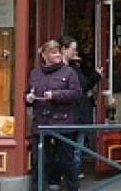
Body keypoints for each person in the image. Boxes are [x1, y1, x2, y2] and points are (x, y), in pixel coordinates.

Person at [27, 39, 84, 191]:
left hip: (63, 122)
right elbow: (28, 92)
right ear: (44, 56)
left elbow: (76, 93)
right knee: (38, 161)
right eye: (53, 53)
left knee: (67, 161)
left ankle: (72, 188)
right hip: (41, 122)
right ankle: (38, 188)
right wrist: (28, 98)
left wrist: (55, 95)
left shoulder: (68, 72)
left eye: (58, 52)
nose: (58, 55)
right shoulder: (35, 73)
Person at [59, 36, 103, 180]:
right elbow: (83, 85)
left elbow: (83, 85)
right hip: (71, 115)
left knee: (74, 149)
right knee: (74, 149)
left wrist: (95, 74)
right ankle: (71, 178)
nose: (75, 52)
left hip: (77, 114)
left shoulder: (73, 67)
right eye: (73, 49)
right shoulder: (65, 69)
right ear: (63, 49)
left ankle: (71, 178)